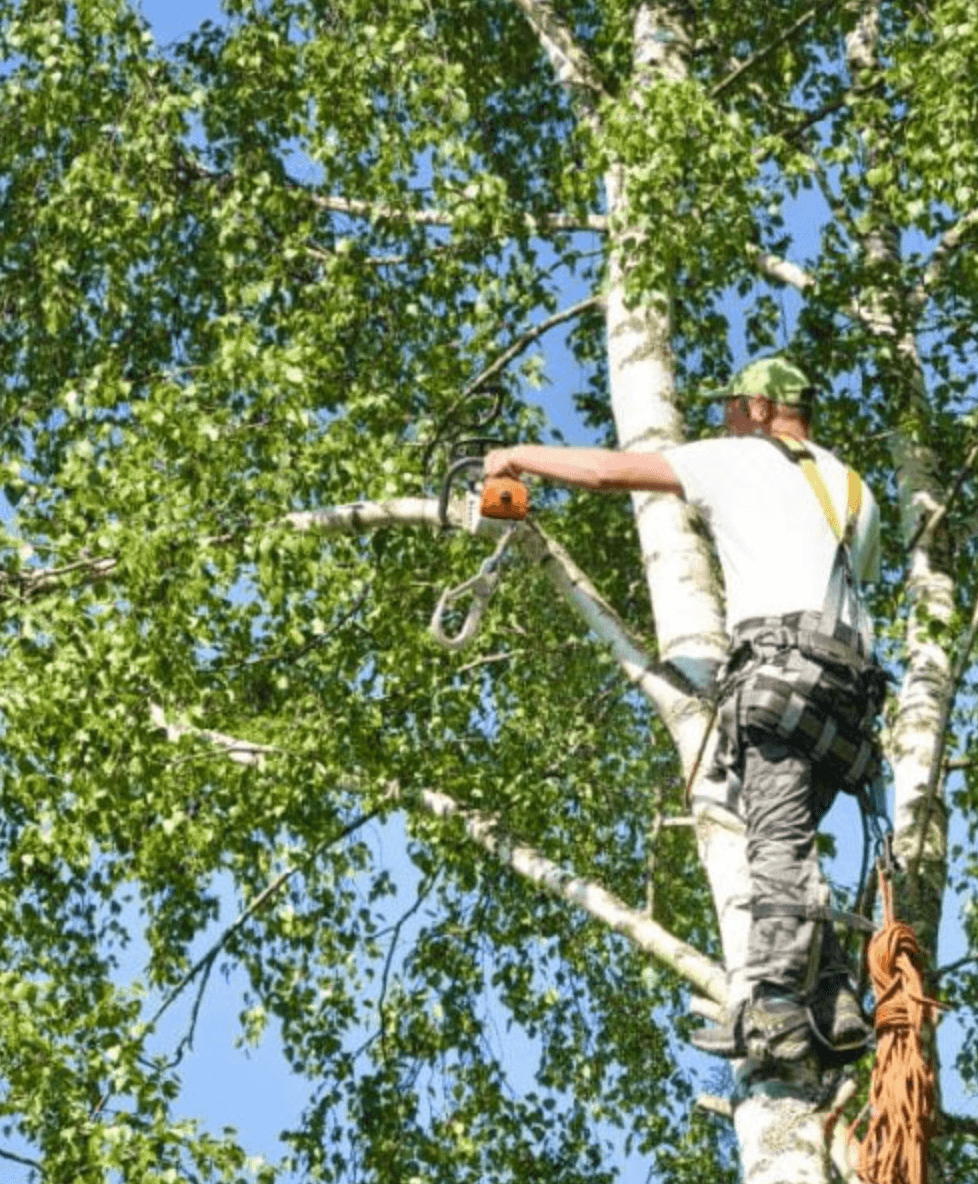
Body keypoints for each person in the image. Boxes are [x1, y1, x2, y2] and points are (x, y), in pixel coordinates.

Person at [483, 356, 882, 1068]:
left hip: (781, 684)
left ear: (760, 409)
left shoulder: (740, 459)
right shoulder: (856, 491)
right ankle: (836, 998)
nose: (724, 419)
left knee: (775, 846)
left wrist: (516, 457)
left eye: (732, 407)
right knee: (790, 839)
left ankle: (777, 1010)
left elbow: (610, 472)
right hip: (847, 703)